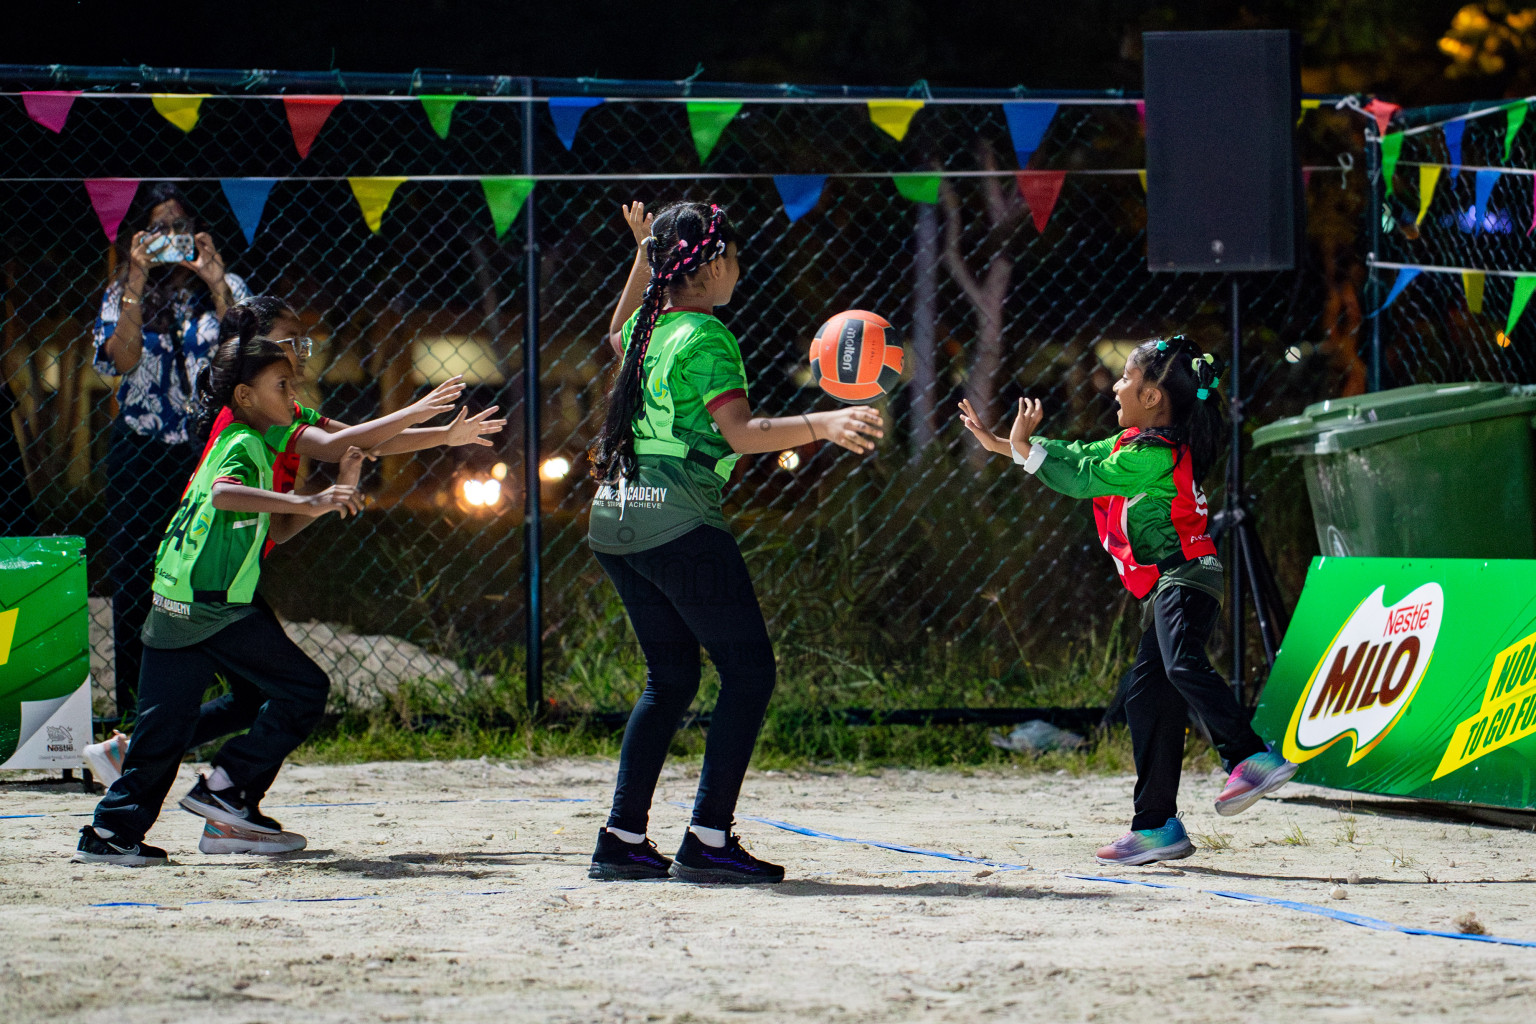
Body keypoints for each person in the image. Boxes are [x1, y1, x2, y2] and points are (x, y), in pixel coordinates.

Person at [82, 295, 505, 795]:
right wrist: (414, 413)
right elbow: (330, 450)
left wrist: (443, 435)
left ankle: (142, 762)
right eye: (289, 342)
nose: (301, 354)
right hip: (214, 577)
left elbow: (358, 442)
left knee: (251, 695)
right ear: (254, 357)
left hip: (228, 570)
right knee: (295, 688)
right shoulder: (253, 421)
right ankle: (221, 792)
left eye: (303, 342)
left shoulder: (281, 406)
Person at [586, 200, 885, 884]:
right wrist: (825, 424)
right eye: (737, 258)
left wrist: (641, 256)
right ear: (715, 265)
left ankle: (622, 837)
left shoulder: (647, 329)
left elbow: (614, 332)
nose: (740, 270)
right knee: (748, 674)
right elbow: (743, 436)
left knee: (671, 680)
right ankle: (707, 839)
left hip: (615, 518)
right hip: (676, 520)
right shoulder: (707, 336)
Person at [958, 336, 1298, 867]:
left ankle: (1249, 756)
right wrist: (1002, 443)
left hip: (1185, 576)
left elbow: (1083, 479)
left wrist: (1023, 449)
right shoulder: (1134, 446)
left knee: (1184, 663)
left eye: (1125, 379)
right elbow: (1075, 455)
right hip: (1171, 582)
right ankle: (1157, 827)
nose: (1115, 386)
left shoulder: (1153, 455)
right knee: (1146, 699)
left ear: (1154, 396)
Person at [73, 316, 364, 865]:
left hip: (173, 596)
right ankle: (228, 789)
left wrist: (326, 494)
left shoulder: (239, 437)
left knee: (164, 730)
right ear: (245, 396)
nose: (293, 392)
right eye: (282, 386)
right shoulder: (245, 443)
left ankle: (111, 834)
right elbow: (229, 495)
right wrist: (306, 501)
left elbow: (276, 528)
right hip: (214, 603)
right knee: (304, 690)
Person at [93, 183, 250, 722]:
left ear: (196, 233)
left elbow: (249, 356)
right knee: (137, 577)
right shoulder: (123, 291)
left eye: (179, 227)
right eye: (158, 229)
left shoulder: (224, 286)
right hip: (140, 450)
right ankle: (140, 712)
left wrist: (216, 282)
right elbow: (120, 358)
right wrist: (136, 276)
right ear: (141, 237)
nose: (170, 239)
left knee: (212, 576)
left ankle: (218, 705)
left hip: (208, 452)